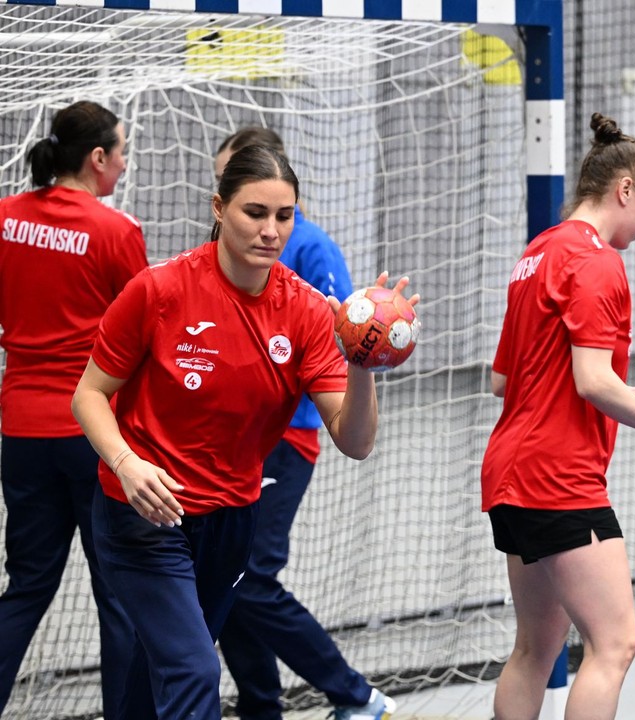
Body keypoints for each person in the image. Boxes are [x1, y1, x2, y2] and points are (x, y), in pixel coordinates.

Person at [71, 144, 414, 720]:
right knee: (195, 670)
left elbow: (355, 443)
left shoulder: (306, 311)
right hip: (145, 512)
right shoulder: (159, 290)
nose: (271, 230)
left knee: (156, 675)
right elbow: (89, 395)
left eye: (284, 216)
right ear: (219, 207)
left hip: (231, 517)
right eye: (255, 213)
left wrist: (362, 364)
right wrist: (128, 465)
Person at [480, 112, 635, 720]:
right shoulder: (597, 262)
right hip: (558, 477)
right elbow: (591, 381)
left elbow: (504, 379)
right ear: (625, 190)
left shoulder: (538, 252)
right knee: (614, 644)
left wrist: (617, 389)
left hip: (509, 473)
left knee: (536, 648)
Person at [212, 128, 394, 720]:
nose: (266, 227)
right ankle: (262, 708)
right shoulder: (220, 254)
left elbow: (348, 336)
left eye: (277, 212)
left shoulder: (310, 249)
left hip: (287, 438)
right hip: (233, 442)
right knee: (227, 584)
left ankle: (355, 695)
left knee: (250, 578)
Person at [0, 100, 144, 719]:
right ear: (96, 158)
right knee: (120, 594)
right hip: (93, 435)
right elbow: (145, 336)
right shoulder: (116, 232)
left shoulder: (5, 219)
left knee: (27, 586)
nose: (124, 163)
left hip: (21, 431)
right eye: (121, 152)